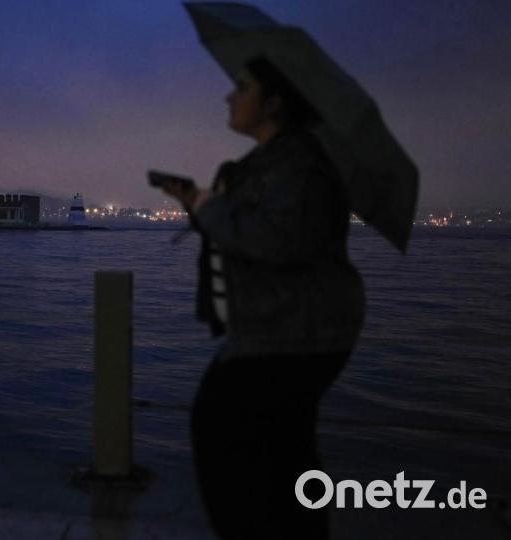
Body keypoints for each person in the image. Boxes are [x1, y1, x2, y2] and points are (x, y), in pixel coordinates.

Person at [157, 56, 365, 539]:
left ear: (273, 102)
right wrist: (204, 202)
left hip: (295, 332)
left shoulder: (300, 166)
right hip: (286, 327)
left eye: (242, 88)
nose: (230, 97)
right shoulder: (271, 163)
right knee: (284, 455)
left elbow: (276, 242)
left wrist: (209, 206)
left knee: (226, 435)